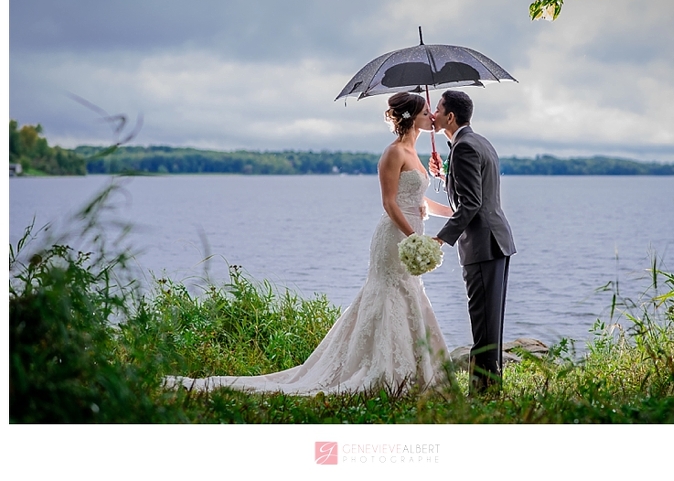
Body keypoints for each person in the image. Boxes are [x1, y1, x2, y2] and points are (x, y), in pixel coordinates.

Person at [165, 92, 452, 395]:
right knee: (387, 293)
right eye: (425, 112)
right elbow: (389, 203)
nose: (431, 115)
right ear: (410, 118)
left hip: (409, 235)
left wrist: (453, 210)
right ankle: (382, 369)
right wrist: (414, 237)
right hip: (394, 236)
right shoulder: (393, 153)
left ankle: (415, 371)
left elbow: (420, 201)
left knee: (409, 294)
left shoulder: (418, 154)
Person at [430, 89, 515, 394]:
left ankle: (483, 395)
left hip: (482, 245)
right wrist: (444, 177)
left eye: (437, 109)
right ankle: (490, 390)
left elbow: (471, 204)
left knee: (483, 325)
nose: (433, 114)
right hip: (496, 242)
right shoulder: (478, 142)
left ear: (450, 116)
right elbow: (473, 190)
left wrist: (440, 238)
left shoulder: (464, 147)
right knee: (490, 324)